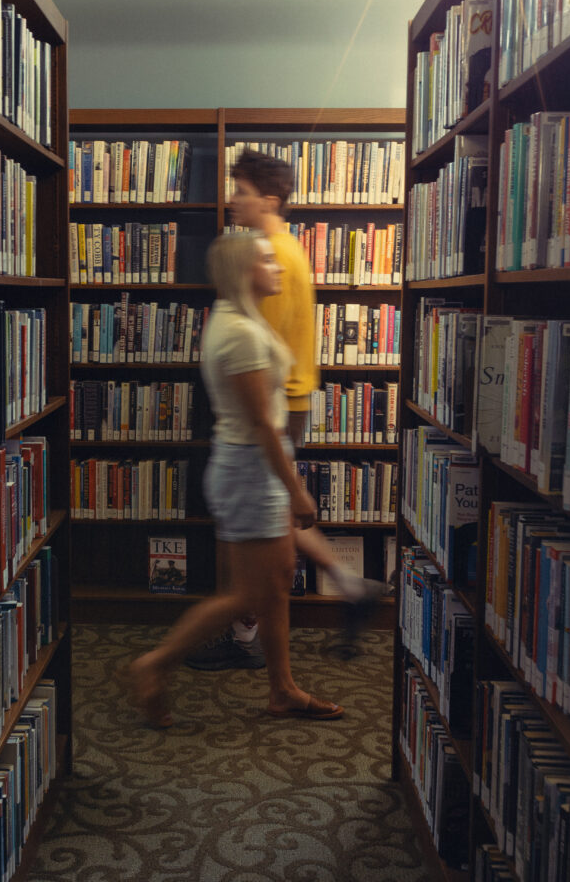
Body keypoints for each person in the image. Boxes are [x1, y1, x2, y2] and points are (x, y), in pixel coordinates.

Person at [128, 231, 344, 727]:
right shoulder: (241, 333)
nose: (280, 267)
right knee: (246, 595)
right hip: (251, 469)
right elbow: (262, 424)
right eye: (268, 260)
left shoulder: (240, 321)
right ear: (246, 270)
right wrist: (297, 490)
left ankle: (282, 688)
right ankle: (153, 665)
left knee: (274, 586)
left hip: (253, 465)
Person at [186, 148, 385, 671]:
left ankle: (243, 628)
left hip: (277, 403)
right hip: (291, 397)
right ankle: (344, 585)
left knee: (266, 512)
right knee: (271, 510)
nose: (232, 201)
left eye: (242, 193)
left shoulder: (263, 258)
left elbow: (256, 346)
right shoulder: (287, 250)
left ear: (268, 200)